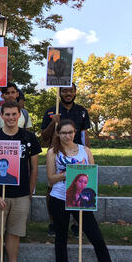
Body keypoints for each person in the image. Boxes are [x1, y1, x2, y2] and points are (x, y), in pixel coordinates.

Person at [46, 120, 129, 262]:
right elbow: (50, 179)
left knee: (96, 237)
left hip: (80, 199)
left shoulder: (86, 151)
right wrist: (67, 173)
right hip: (59, 197)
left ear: (75, 132)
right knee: (61, 237)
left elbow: (92, 174)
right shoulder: (53, 152)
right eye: (63, 133)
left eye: (70, 132)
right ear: (58, 134)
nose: (67, 136)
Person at [0, 101, 41, 262]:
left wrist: (29, 192)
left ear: (20, 115)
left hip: (21, 194)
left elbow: (34, 168)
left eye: (13, 114)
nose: (10, 118)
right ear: (1, 116)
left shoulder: (29, 137)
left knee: (14, 233)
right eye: (7, 114)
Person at [41, 83, 91, 237]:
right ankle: (53, 223)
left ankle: (77, 224)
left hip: (77, 155)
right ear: (60, 92)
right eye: (65, 91)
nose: (68, 93)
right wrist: (52, 122)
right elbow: (44, 137)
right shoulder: (51, 110)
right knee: (52, 188)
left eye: (71, 90)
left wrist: (87, 156)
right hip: (57, 154)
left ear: (75, 92)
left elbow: (85, 135)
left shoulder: (82, 111)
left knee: (79, 189)